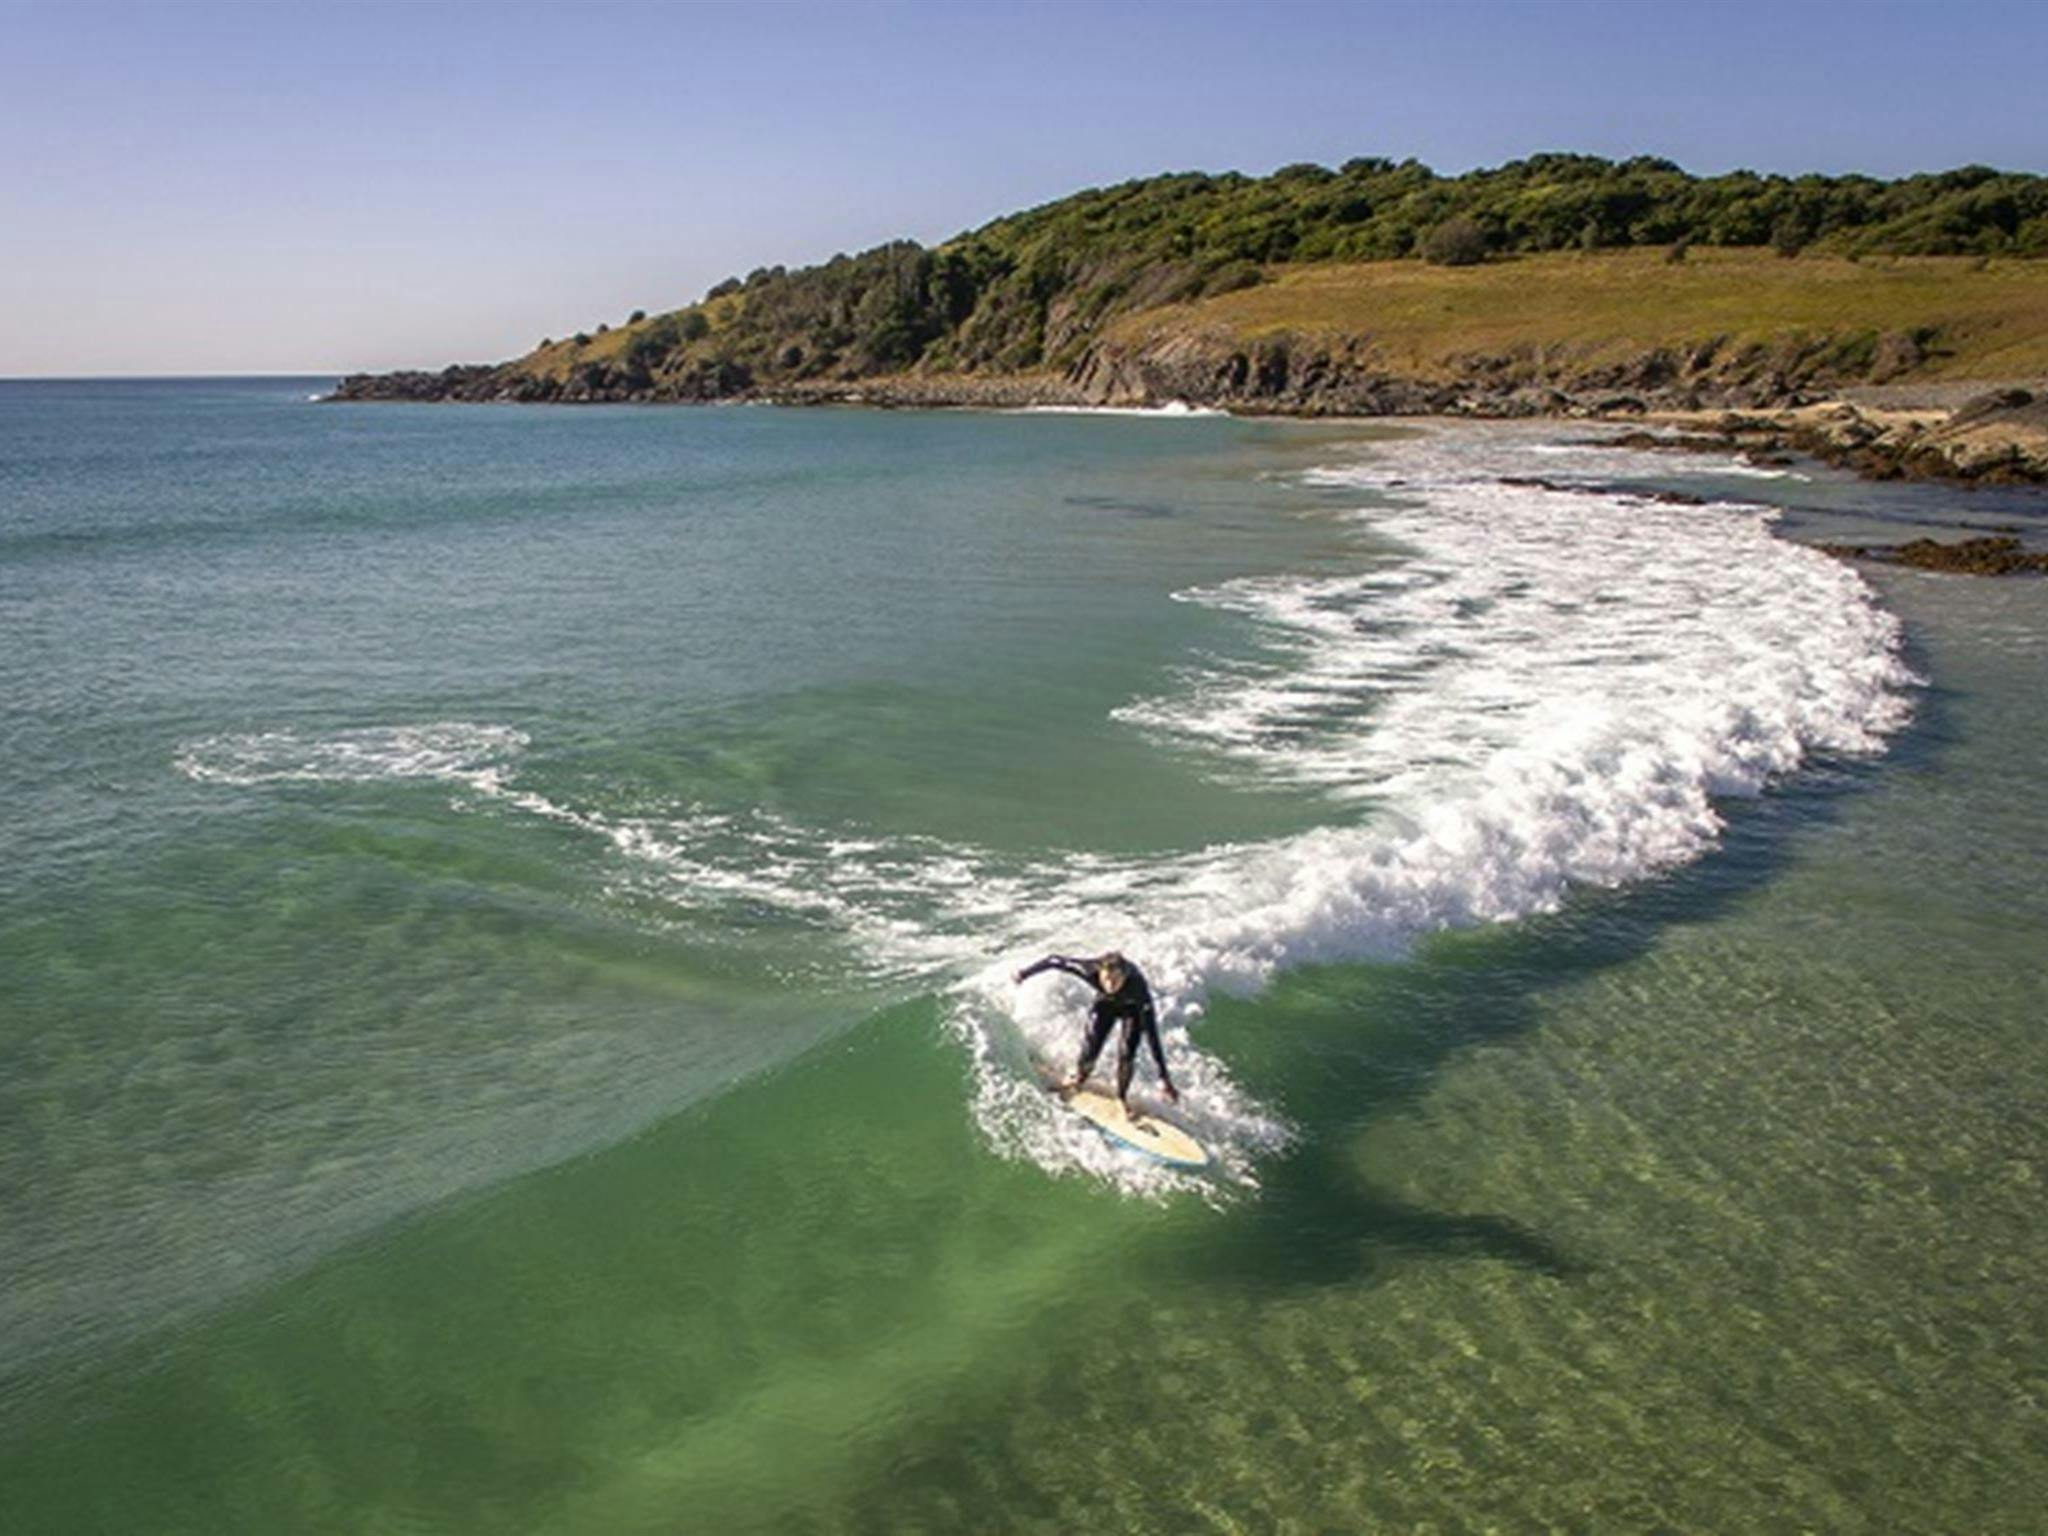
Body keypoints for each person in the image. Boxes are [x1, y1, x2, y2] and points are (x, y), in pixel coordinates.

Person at [1014, 950, 1179, 1112]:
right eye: (1107, 979)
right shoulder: (1089, 970)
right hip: (1106, 1004)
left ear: (1124, 977)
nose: (1111, 985)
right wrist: (1025, 973)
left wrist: (1164, 1077)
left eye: (1116, 980)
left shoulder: (1137, 987)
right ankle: (1079, 1077)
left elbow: (1152, 1034)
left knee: (1127, 1052)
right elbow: (1055, 960)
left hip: (1132, 1010)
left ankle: (1121, 1097)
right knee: (1092, 1045)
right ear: (1100, 973)